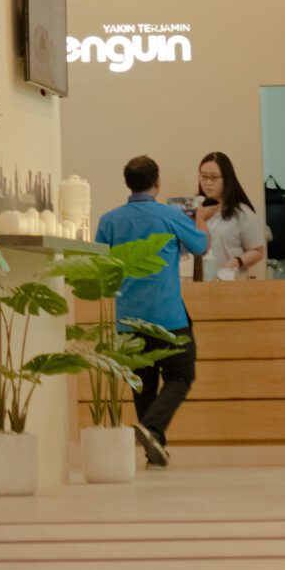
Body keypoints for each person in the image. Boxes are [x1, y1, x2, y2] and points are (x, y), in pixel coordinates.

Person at [93, 154, 207, 469]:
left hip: (128, 318)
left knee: (142, 385)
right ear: (157, 181)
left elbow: (101, 268)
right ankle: (152, 429)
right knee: (181, 374)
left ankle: (154, 451)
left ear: (128, 183)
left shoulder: (109, 221)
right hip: (168, 316)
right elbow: (201, 246)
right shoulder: (169, 215)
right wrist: (200, 219)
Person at [192, 151, 268, 281]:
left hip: (230, 282)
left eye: (214, 177)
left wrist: (236, 262)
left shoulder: (241, 213)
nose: (208, 182)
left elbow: (257, 251)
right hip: (198, 283)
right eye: (203, 177)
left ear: (227, 179)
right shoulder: (195, 209)